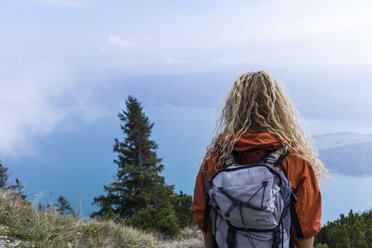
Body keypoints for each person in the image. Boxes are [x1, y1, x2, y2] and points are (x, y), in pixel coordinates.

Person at [192, 71, 327, 248]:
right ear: (279, 108)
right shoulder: (294, 158)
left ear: (234, 107)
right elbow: (306, 226)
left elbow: (204, 217)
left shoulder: (217, 156)